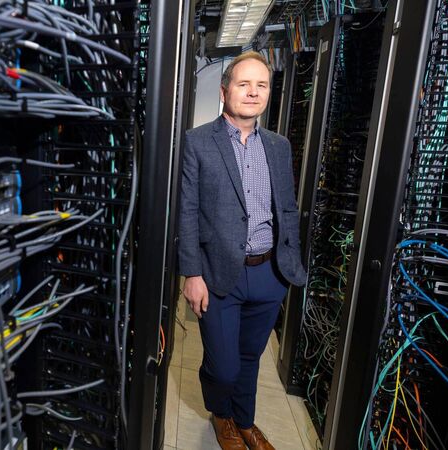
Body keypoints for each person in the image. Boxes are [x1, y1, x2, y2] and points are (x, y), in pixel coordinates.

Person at [178, 51, 307, 450]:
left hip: (270, 272)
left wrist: (291, 261)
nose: (253, 92)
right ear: (224, 90)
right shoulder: (198, 142)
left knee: (251, 357)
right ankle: (221, 415)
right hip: (218, 273)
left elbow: (286, 207)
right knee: (224, 365)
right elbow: (186, 209)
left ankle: (245, 422)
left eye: (261, 85)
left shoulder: (279, 145)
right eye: (243, 84)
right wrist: (191, 273)